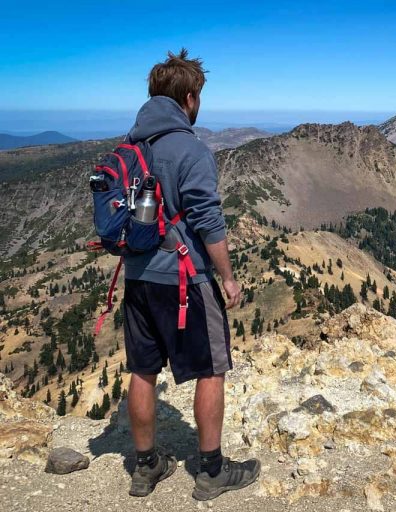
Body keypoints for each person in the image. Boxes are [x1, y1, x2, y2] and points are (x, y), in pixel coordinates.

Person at [121, 48, 259, 501]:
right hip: (184, 281)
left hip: (138, 279)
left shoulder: (131, 147)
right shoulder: (191, 149)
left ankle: (145, 468)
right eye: (198, 95)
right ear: (189, 97)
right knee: (211, 369)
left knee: (142, 372)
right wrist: (229, 277)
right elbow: (208, 220)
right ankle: (212, 471)